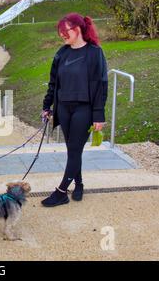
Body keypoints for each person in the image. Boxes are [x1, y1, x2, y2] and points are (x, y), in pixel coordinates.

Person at [41, 13, 108, 207]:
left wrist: (99, 115)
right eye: (60, 31)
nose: (62, 34)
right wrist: (47, 106)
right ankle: (78, 184)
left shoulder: (94, 53)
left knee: (75, 150)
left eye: (65, 30)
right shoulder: (61, 53)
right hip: (64, 108)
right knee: (72, 150)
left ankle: (61, 191)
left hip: (84, 109)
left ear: (78, 29)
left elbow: (101, 85)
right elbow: (53, 83)